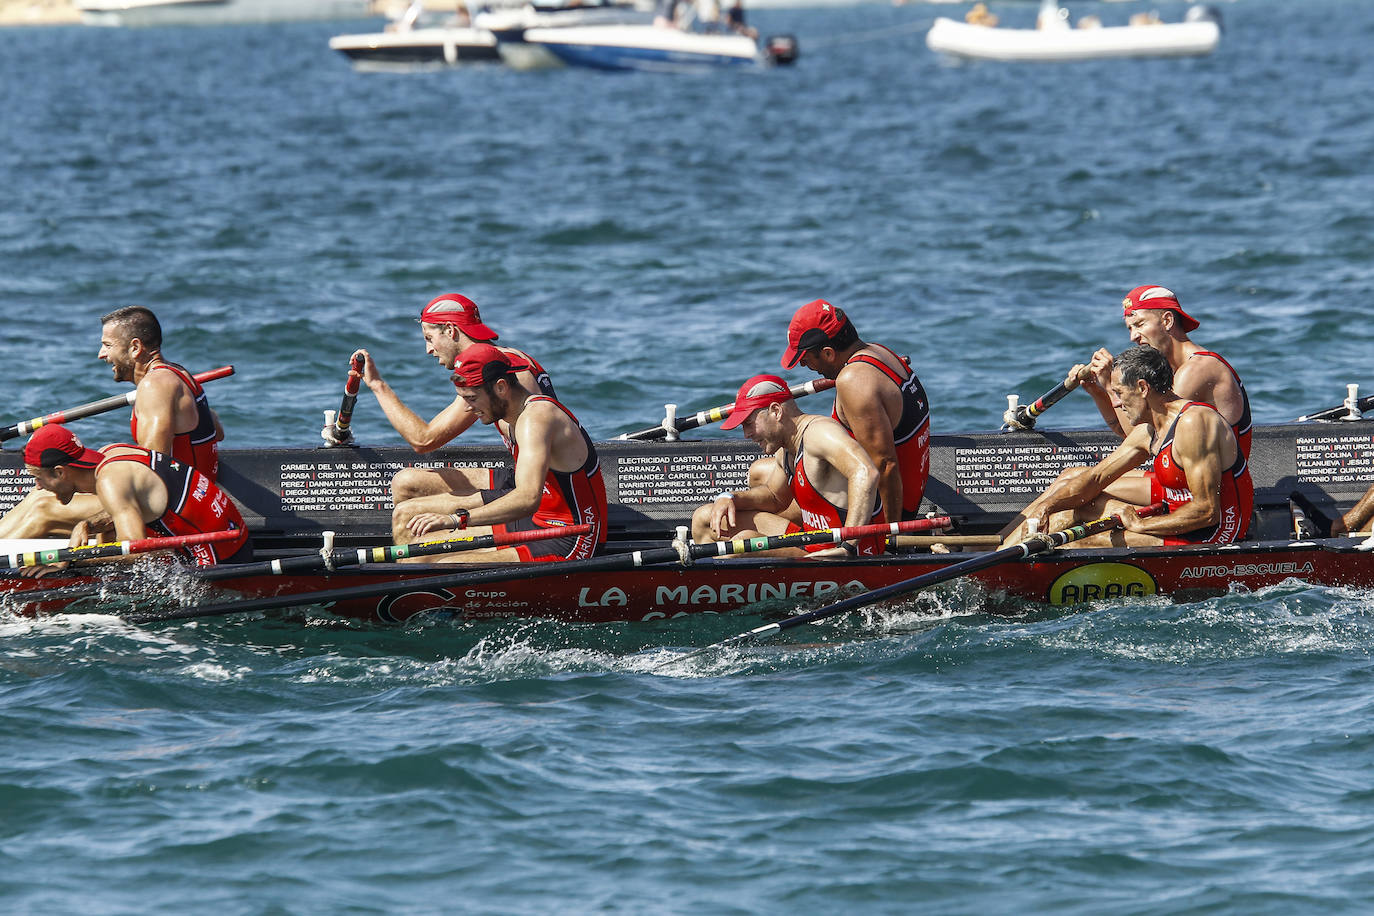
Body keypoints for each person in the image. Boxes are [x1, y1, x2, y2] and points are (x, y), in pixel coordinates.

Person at [0, 306, 224, 540]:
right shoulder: (177, 375)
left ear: (135, 348)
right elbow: (216, 430)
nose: (101, 354)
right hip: (196, 493)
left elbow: (154, 473)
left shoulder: (154, 387)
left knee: (43, 509)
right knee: (38, 496)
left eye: (108, 345)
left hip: (180, 515)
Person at [1000, 345, 1252, 548]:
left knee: (1077, 544)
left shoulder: (1195, 423)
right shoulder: (1149, 429)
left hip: (1215, 536)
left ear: (1142, 388)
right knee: (1074, 508)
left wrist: (1141, 525)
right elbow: (1096, 477)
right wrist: (1047, 507)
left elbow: (1207, 511)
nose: (1117, 403)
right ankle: (998, 555)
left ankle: (1006, 576)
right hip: (1174, 520)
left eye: (1119, 393)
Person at [397, 345, 606, 562]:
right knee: (419, 551)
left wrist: (457, 519)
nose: (468, 408)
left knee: (446, 562)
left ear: (500, 387)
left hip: (573, 537)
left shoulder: (536, 419)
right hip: (535, 520)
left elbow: (527, 498)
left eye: (472, 398)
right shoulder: (512, 412)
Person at [345, 293, 556, 508]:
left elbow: (424, 440)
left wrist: (378, 386)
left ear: (450, 331)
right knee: (405, 482)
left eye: (429, 338)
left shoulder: (491, 375)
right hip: (528, 477)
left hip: (545, 493)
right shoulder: (511, 357)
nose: (428, 350)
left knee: (410, 500)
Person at [691, 375, 884, 558]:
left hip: (843, 554)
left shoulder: (819, 433)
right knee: (704, 518)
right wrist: (730, 497)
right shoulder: (786, 449)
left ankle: (705, 582)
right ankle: (700, 578)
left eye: (749, 423)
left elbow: (865, 471)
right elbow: (775, 498)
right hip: (811, 540)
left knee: (744, 542)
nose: (746, 434)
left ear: (776, 411)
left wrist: (847, 546)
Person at [21, 424, 250, 572]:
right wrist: (88, 524)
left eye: (38, 478)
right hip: (233, 538)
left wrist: (70, 560)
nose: (38, 487)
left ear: (60, 472)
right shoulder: (111, 452)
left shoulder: (110, 482)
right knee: (106, 535)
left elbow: (136, 553)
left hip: (224, 560)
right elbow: (129, 509)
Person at [780, 299, 931, 522]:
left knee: (753, 515)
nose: (804, 367)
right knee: (763, 473)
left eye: (805, 359)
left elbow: (885, 466)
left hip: (880, 515)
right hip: (909, 496)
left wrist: (891, 537)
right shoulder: (880, 352)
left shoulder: (853, 381)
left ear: (829, 353)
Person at [1071, 285, 1252, 460]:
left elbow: (1141, 439)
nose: (1133, 336)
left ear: (1167, 321)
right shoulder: (1169, 372)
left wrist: (1111, 387)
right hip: (1179, 477)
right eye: (1130, 328)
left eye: (1139, 324)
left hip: (1218, 483)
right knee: (1074, 479)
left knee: (1084, 483)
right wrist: (1098, 391)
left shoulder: (1196, 369)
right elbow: (1127, 429)